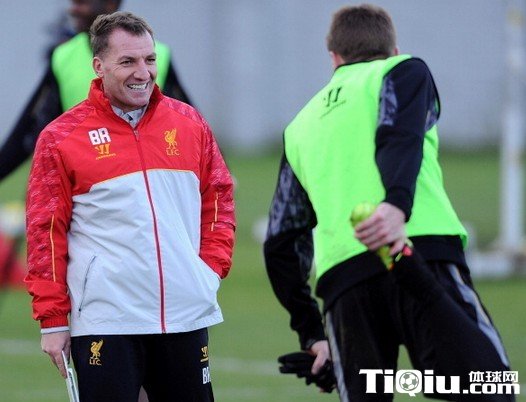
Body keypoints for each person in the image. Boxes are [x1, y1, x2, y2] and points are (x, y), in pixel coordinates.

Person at [264, 4, 514, 401]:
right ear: (393, 49)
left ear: (334, 57)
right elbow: (398, 134)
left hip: (345, 288)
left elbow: (281, 240)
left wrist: (311, 332)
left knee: (374, 386)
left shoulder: (298, 129)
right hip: (420, 254)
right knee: (491, 387)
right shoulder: (402, 71)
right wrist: (395, 206)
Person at [25, 11, 235, 402]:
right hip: (106, 320)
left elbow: (219, 198)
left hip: (184, 314)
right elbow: (45, 233)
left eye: (149, 59)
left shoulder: (189, 123)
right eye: (128, 61)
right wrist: (52, 319)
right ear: (98, 66)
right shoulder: (61, 137)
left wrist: (208, 270)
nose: (143, 72)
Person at [0, 0, 192, 181]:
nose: (73, 9)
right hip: (88, 184)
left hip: (145, 182)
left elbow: (190, 129)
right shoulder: (63, 57)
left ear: (110, 3)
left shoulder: (160, 56)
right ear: (97, 66)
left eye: (82, 2)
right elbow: (29, 129)